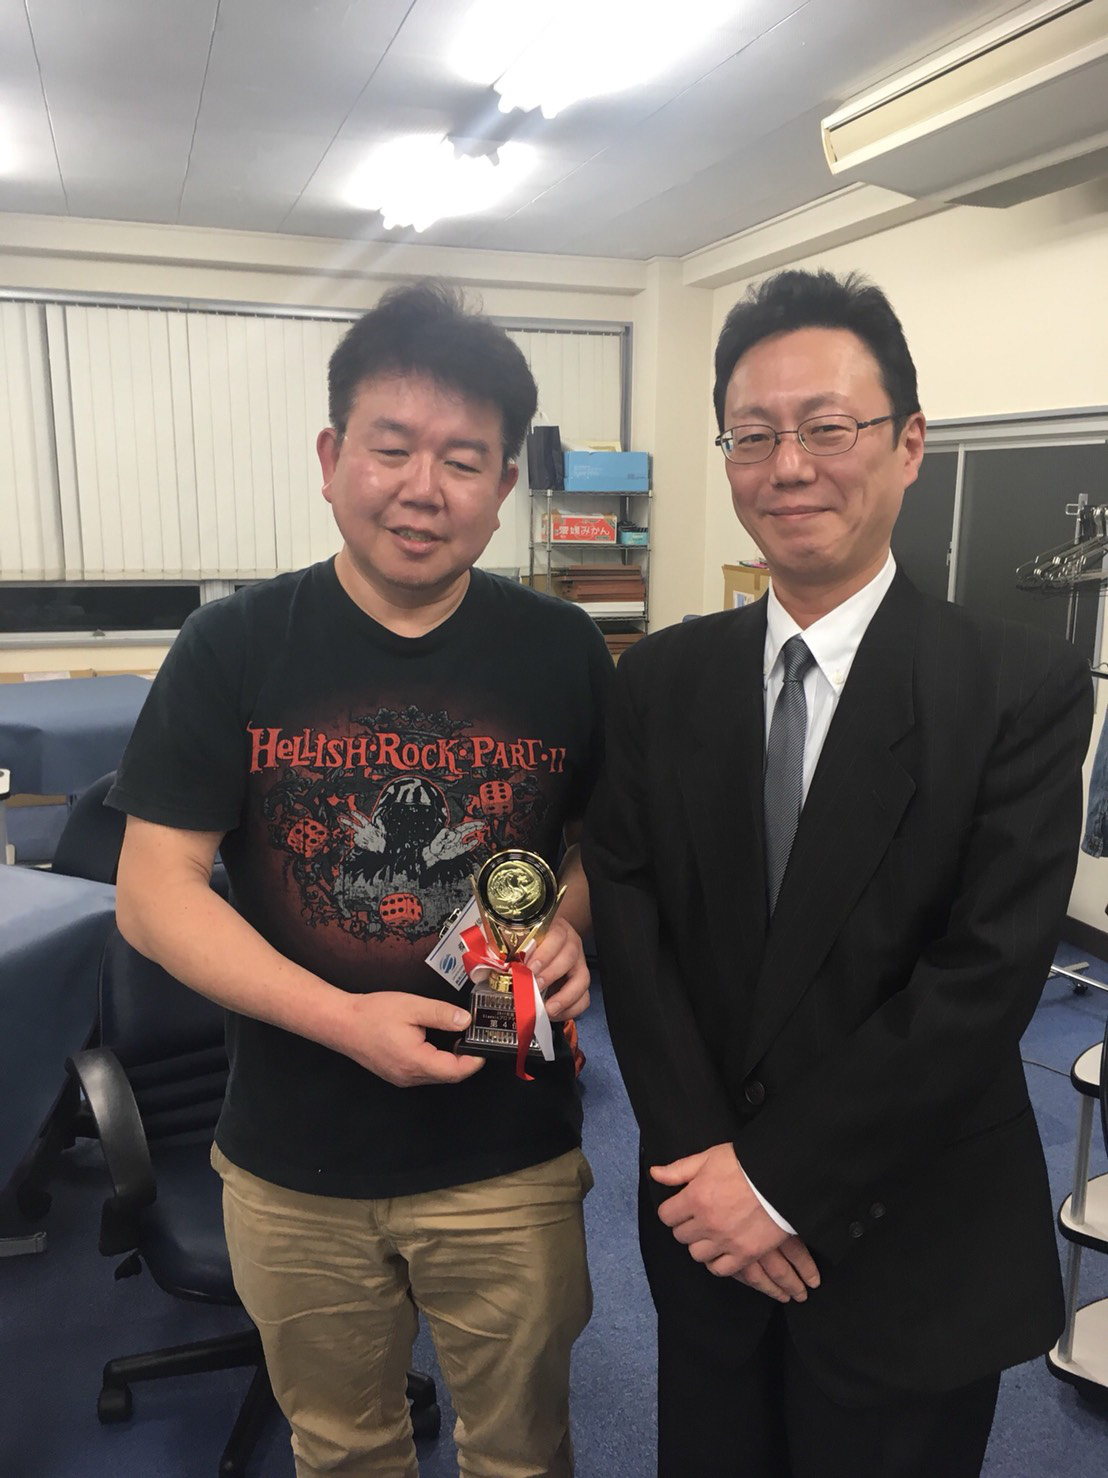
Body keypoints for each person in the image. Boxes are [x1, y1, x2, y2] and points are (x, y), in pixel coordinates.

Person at [583, 268, 1093, 1478]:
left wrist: (774, 1183)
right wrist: (710, 1172)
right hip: (703, 1224)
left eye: (826, 427)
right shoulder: (662, 680)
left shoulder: (1016, 687)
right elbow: (635, 930)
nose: (789, 466)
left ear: (908, 444)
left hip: (906, 1237)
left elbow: (981, 978)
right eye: (753, 435)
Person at [109, 280, 612, 1478]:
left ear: (504, 484)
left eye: (462, 458)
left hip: (510, 1151)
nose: (422, 487)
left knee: (524, 1450)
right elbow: (154, 889)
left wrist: (568, 925)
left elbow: (599, 848)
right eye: (391, 447)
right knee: (341, 1448)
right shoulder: (232, 646)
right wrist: (343, 1019)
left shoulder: (565, 650)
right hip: (296, 1159)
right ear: (332, 460)